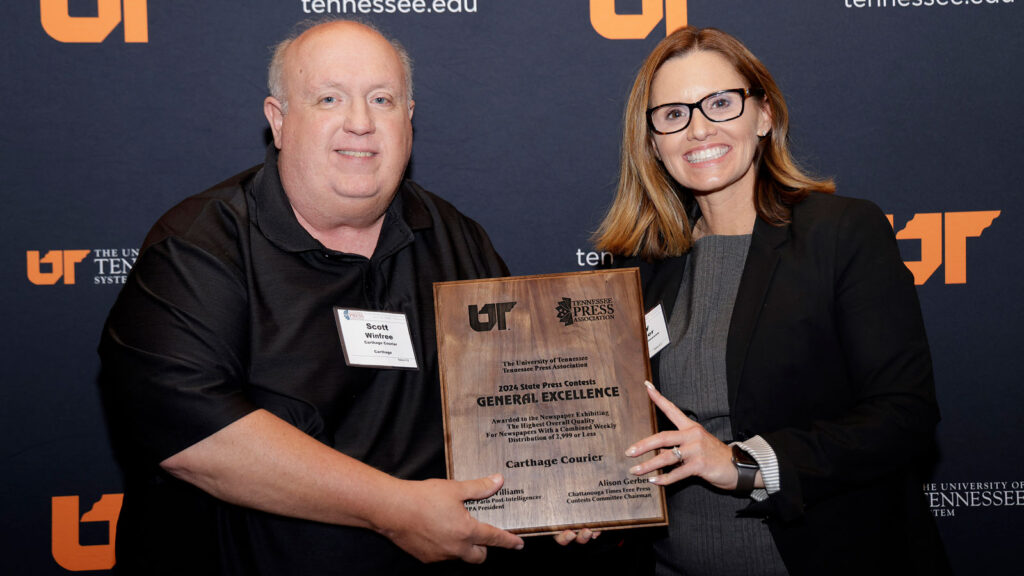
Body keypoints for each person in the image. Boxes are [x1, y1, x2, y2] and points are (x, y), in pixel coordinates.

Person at [98, 19, 525, 575]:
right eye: (329, 98)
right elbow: (196, 437)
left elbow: (521, 394)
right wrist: (394, 510)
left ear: (410, 119)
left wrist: (566, 486)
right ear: (279, 121)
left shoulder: (457, 239)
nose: (361, 123)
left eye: (383, 99)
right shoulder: (197, 248)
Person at [594, 26, 950, 575]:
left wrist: (745, 463)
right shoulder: (638, 268)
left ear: (763, 115)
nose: (698, 129)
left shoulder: (841, 233)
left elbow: (903, 414)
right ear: (653, 143)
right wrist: (579, 493)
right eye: (672, 115)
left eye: (719, 103)